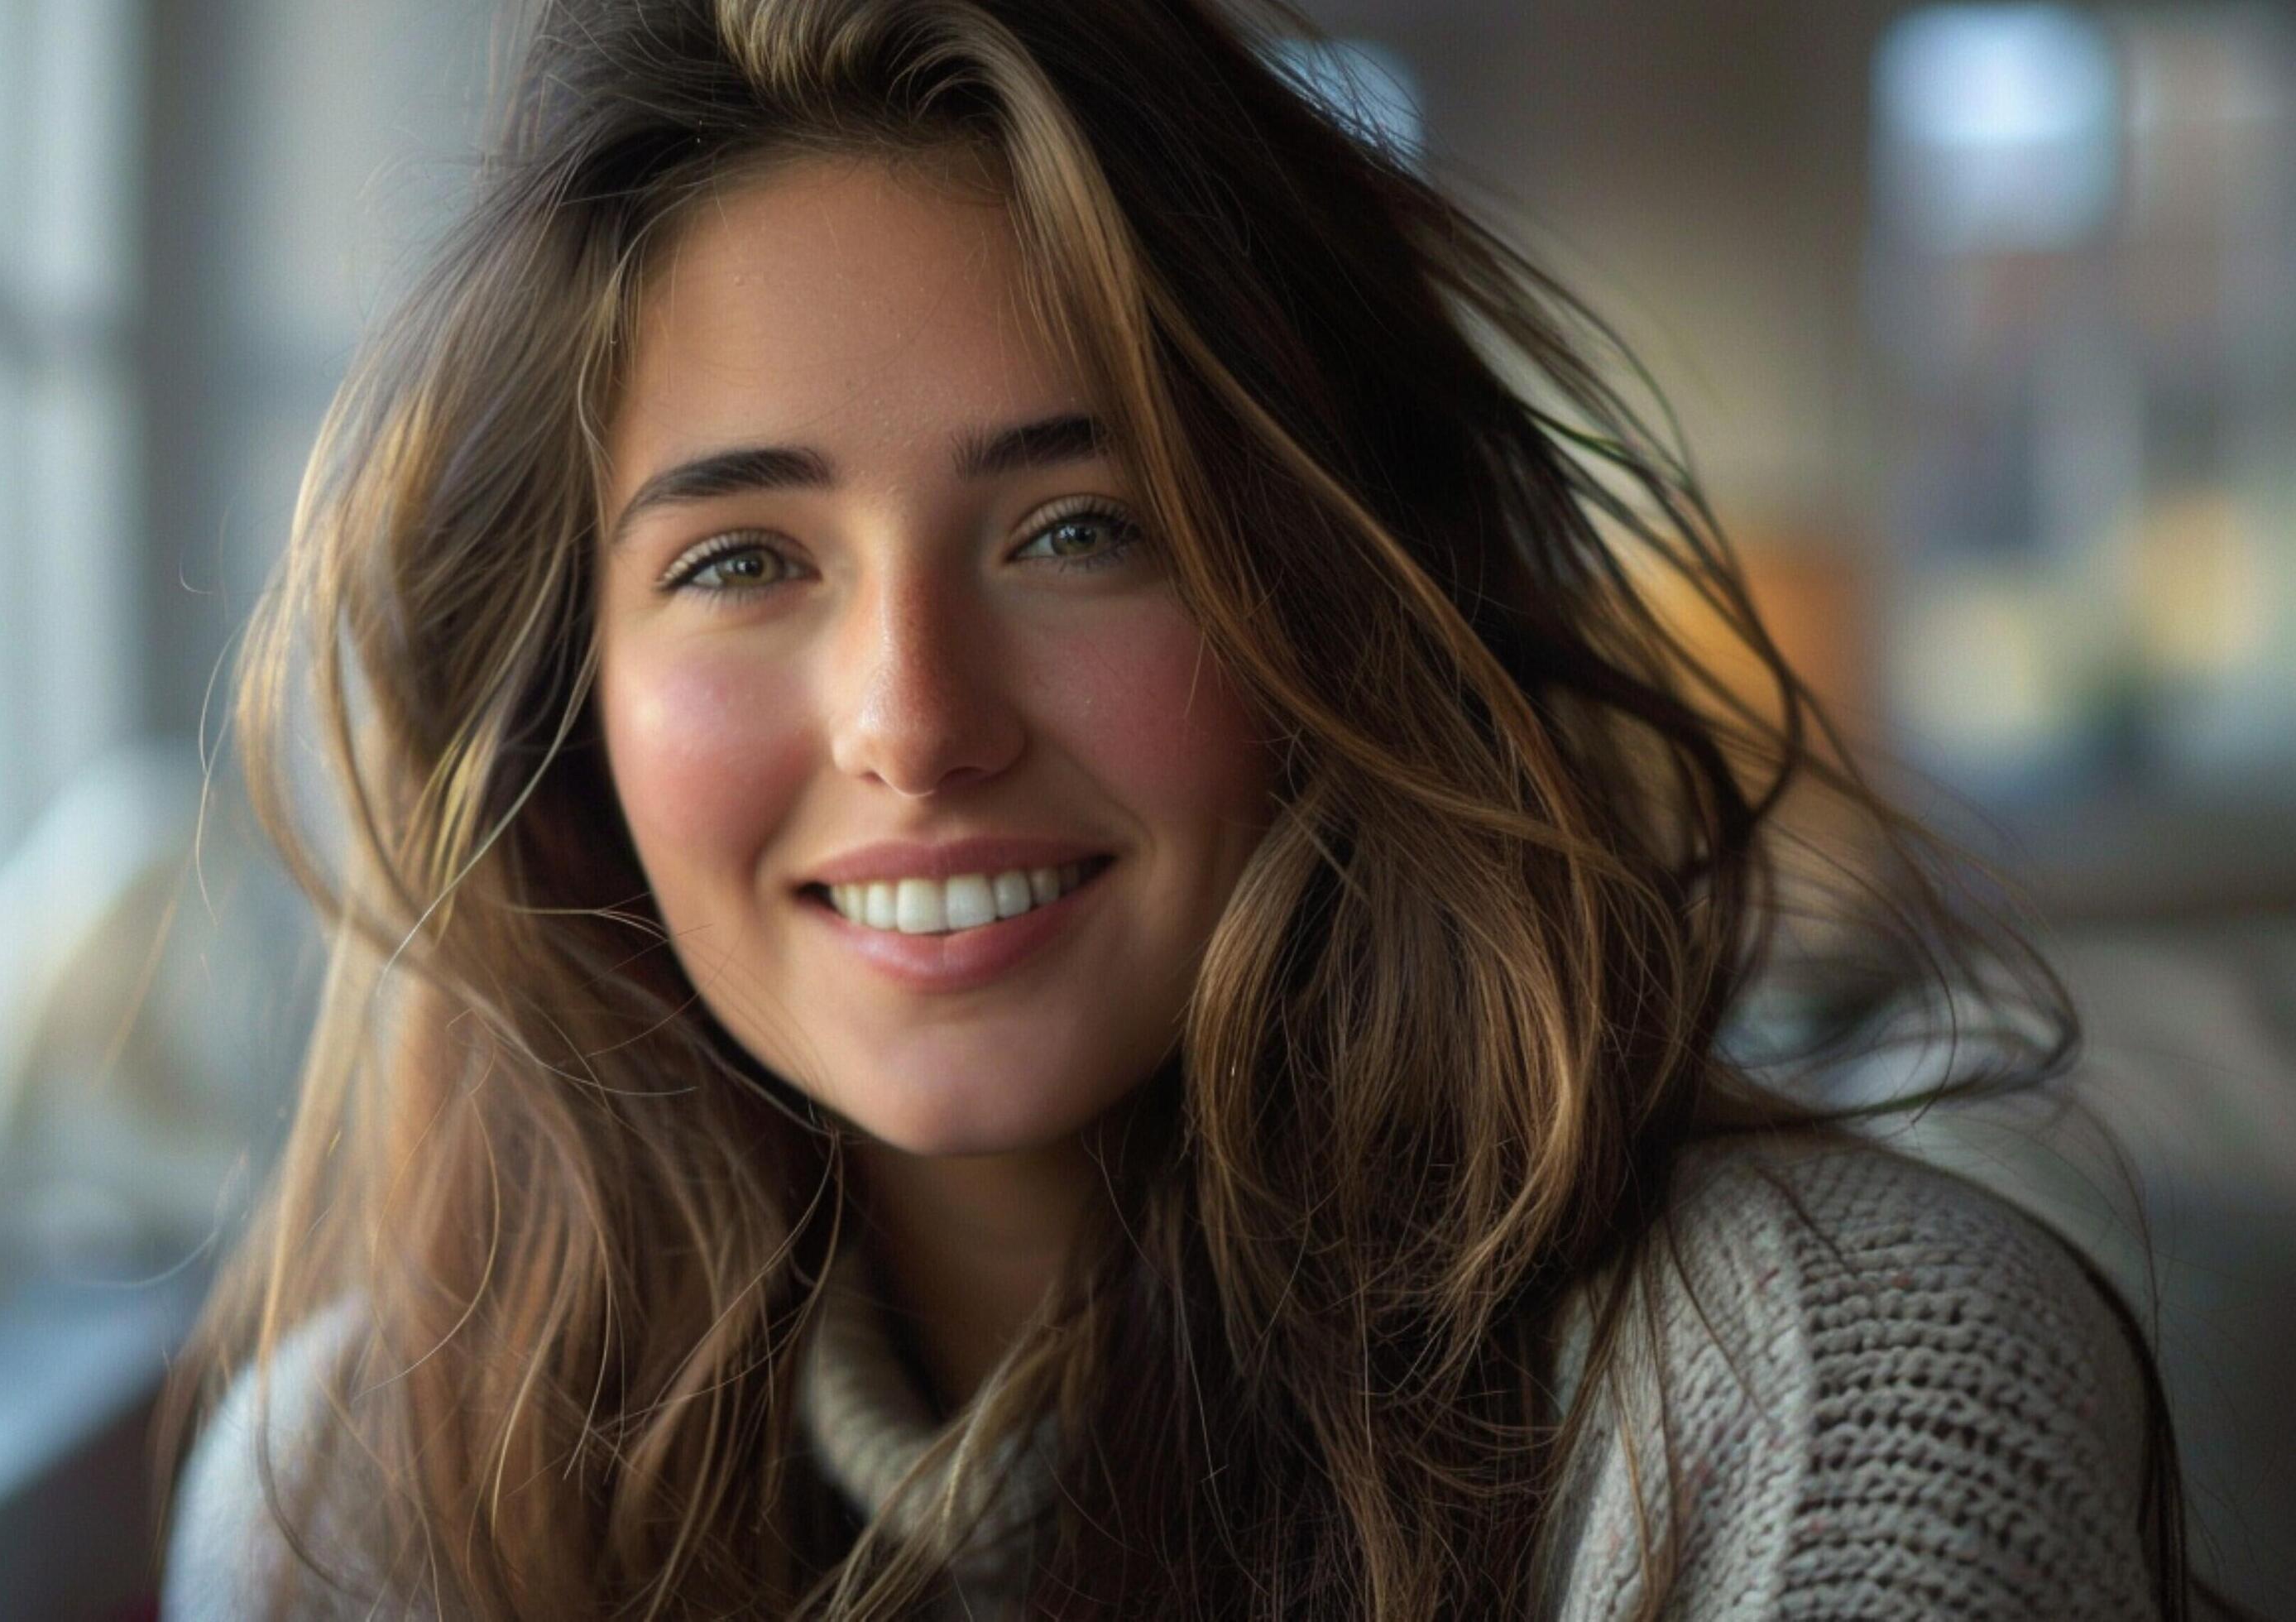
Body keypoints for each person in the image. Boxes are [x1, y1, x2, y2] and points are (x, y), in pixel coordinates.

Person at [158, 1, 2198, 1615]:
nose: (915, 720)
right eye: (739, 558)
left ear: (1338, 604)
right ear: (562, 703)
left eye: (1076, 526)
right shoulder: (348, 1491)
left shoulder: (1829, 1403)